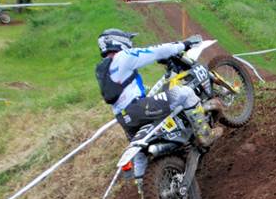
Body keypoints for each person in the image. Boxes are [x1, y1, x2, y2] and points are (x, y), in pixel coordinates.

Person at [95, 29, 224, 173]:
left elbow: (125, 92)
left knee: (140, 154)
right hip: (138, 109)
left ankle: (141, 184)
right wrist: (184, 44)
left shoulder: (103, 69)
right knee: (185, 93)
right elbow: (155, 51)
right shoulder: (122, 57)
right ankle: (205, 135)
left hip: (124, 119)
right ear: (119, 41)